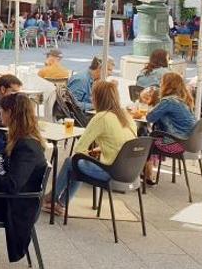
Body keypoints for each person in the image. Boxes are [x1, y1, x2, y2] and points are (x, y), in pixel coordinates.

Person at [42, 81, 136, 216]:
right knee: (78, 163)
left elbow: (79, 149)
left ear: (97, 98)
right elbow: (122, 144)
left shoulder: (101, 117)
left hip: (112, 173)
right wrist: (97, 150)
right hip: (131, 172)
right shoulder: (126, 117)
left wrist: (88, 153)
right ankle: (59, 203)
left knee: (72, 161)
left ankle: (52, 198)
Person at [0, 93, 47, 263]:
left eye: (1, 111)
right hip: (15, 200)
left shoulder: (26, 145)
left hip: (16, 206)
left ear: (10, 113)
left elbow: (12, 184)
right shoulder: (23, 139)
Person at [144, 73, 196, 183]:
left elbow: (150, 117)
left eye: (161, 82)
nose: (160, 84)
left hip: (174, 144)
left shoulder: (168, 102)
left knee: (143, 142)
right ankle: (146, 172)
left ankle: (146, 175)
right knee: (149, 138)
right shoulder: (184, 100)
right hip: (188, 143)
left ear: (166, 85)